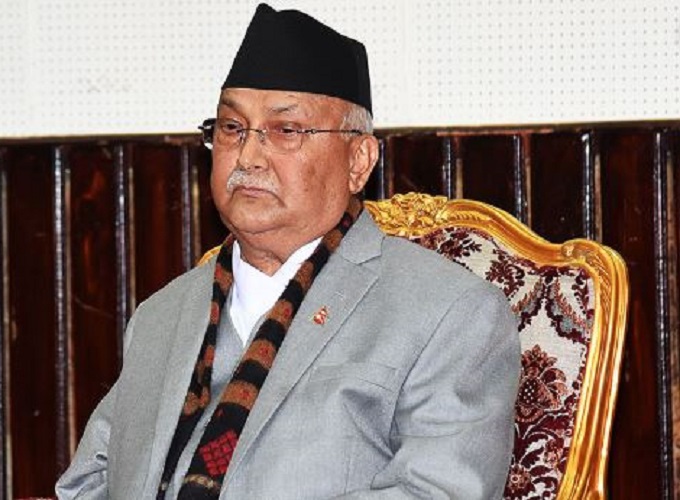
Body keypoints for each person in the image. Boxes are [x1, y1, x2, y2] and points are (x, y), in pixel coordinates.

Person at [57, 4, 520, 499]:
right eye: (231, 128)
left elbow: (441, 491)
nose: (248, 155)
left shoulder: (448, 314)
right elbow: (88, 484)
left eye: (286, 131)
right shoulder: (161, 317)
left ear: (358, 161)